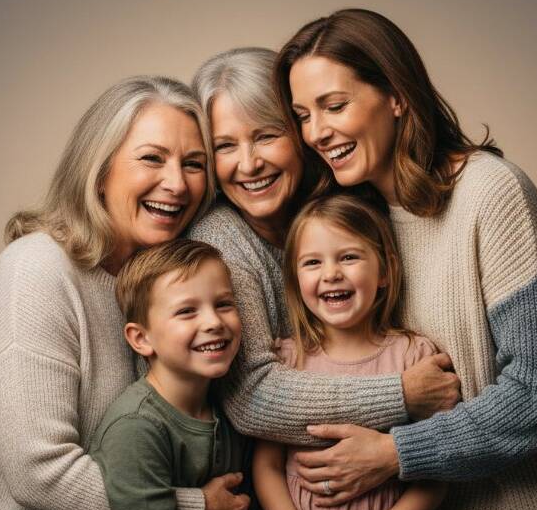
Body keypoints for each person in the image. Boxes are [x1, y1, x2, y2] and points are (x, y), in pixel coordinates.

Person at [274, 9, 537, 510]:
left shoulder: (493, 194)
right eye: (303, 115)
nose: (316, 132)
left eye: (335, 106)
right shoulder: (357, 219)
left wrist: (394, 454)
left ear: (397, 96)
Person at [0, 76, 247, 510]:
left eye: (194, 164)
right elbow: (41, 473)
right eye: (151, 158)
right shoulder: (35, 272)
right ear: (100, 171)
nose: (177, 183)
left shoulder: (158, 284)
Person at [187, 48, 462, 453]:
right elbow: (252, 399)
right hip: (280, 489)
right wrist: (401, 394)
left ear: (301, 131)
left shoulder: (348, 201)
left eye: (266, 135)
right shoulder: (219, 241)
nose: (248, 165)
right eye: (225, 146)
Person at [87, 238, 314, 510]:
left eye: (223, 304)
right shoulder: (135, 427)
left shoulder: (227, 410)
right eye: (186, 311)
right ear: (141, 338)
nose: (214, 322)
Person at [253, 194, 452, 510]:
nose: (331, 273)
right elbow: (266, 467)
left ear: (385, 272)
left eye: (349, 257)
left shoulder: (414, 358)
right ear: (295, 282)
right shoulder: (286, 361)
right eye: (312, 262)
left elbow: (437, 474)